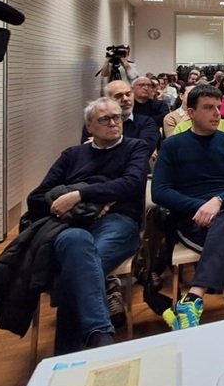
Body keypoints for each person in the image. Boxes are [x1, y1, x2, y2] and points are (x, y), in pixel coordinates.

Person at [28, 98, 149, 352]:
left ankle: (68, 352)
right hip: (69, 228)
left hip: (119, 223)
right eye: (104, 119)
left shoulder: (134, 148)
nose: (114, 123)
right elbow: (37, 197)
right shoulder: (73, 155)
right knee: (76, 248)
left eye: (117, 117)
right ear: (89, 126)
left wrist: (80, 195)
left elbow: (132, 184)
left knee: (73, 273)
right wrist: (82, 201)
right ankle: (100, 336)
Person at [152, 85, 224, 329]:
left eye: (218, 108)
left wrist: (217, 201)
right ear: (190, 112)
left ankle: (195, 294)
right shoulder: (172, 146)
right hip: (193, 219)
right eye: (208, 108)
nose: (216, 114)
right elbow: (160, 191)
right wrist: (200, 207)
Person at [82, 79, 158, 155]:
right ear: (106, 100)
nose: (125, 99)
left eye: (128, 94)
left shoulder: (147, 123)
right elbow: (88, 153)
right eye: (118, 96)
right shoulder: (94, 123)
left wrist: (104, 144)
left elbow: (143, 151)